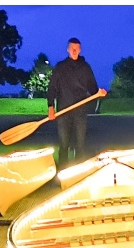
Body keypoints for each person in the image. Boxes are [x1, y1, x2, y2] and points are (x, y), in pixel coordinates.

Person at [47, 37, 107, 168]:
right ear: (68, 49)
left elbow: (93, 89)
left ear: (80, 50)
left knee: (80, 146)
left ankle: (78, 174)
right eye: (72, 48)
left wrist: (99, 93)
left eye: (77, 48)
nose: (74, 50)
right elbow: (52, 88)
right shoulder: (60, 67)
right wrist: (51, 107)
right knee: (64, 146)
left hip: (80, 113)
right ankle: (62, 173)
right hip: (63, 112)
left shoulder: (85, 68)